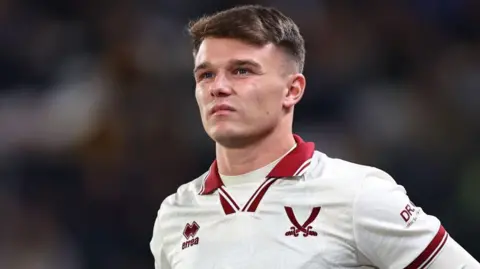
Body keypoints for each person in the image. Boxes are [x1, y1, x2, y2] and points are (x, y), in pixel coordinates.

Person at [150, 5, 479, 269]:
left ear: (292, 90)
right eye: (206, 74)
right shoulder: (174, 214)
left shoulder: (357, 194)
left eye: (242, 70)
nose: (218, 87)